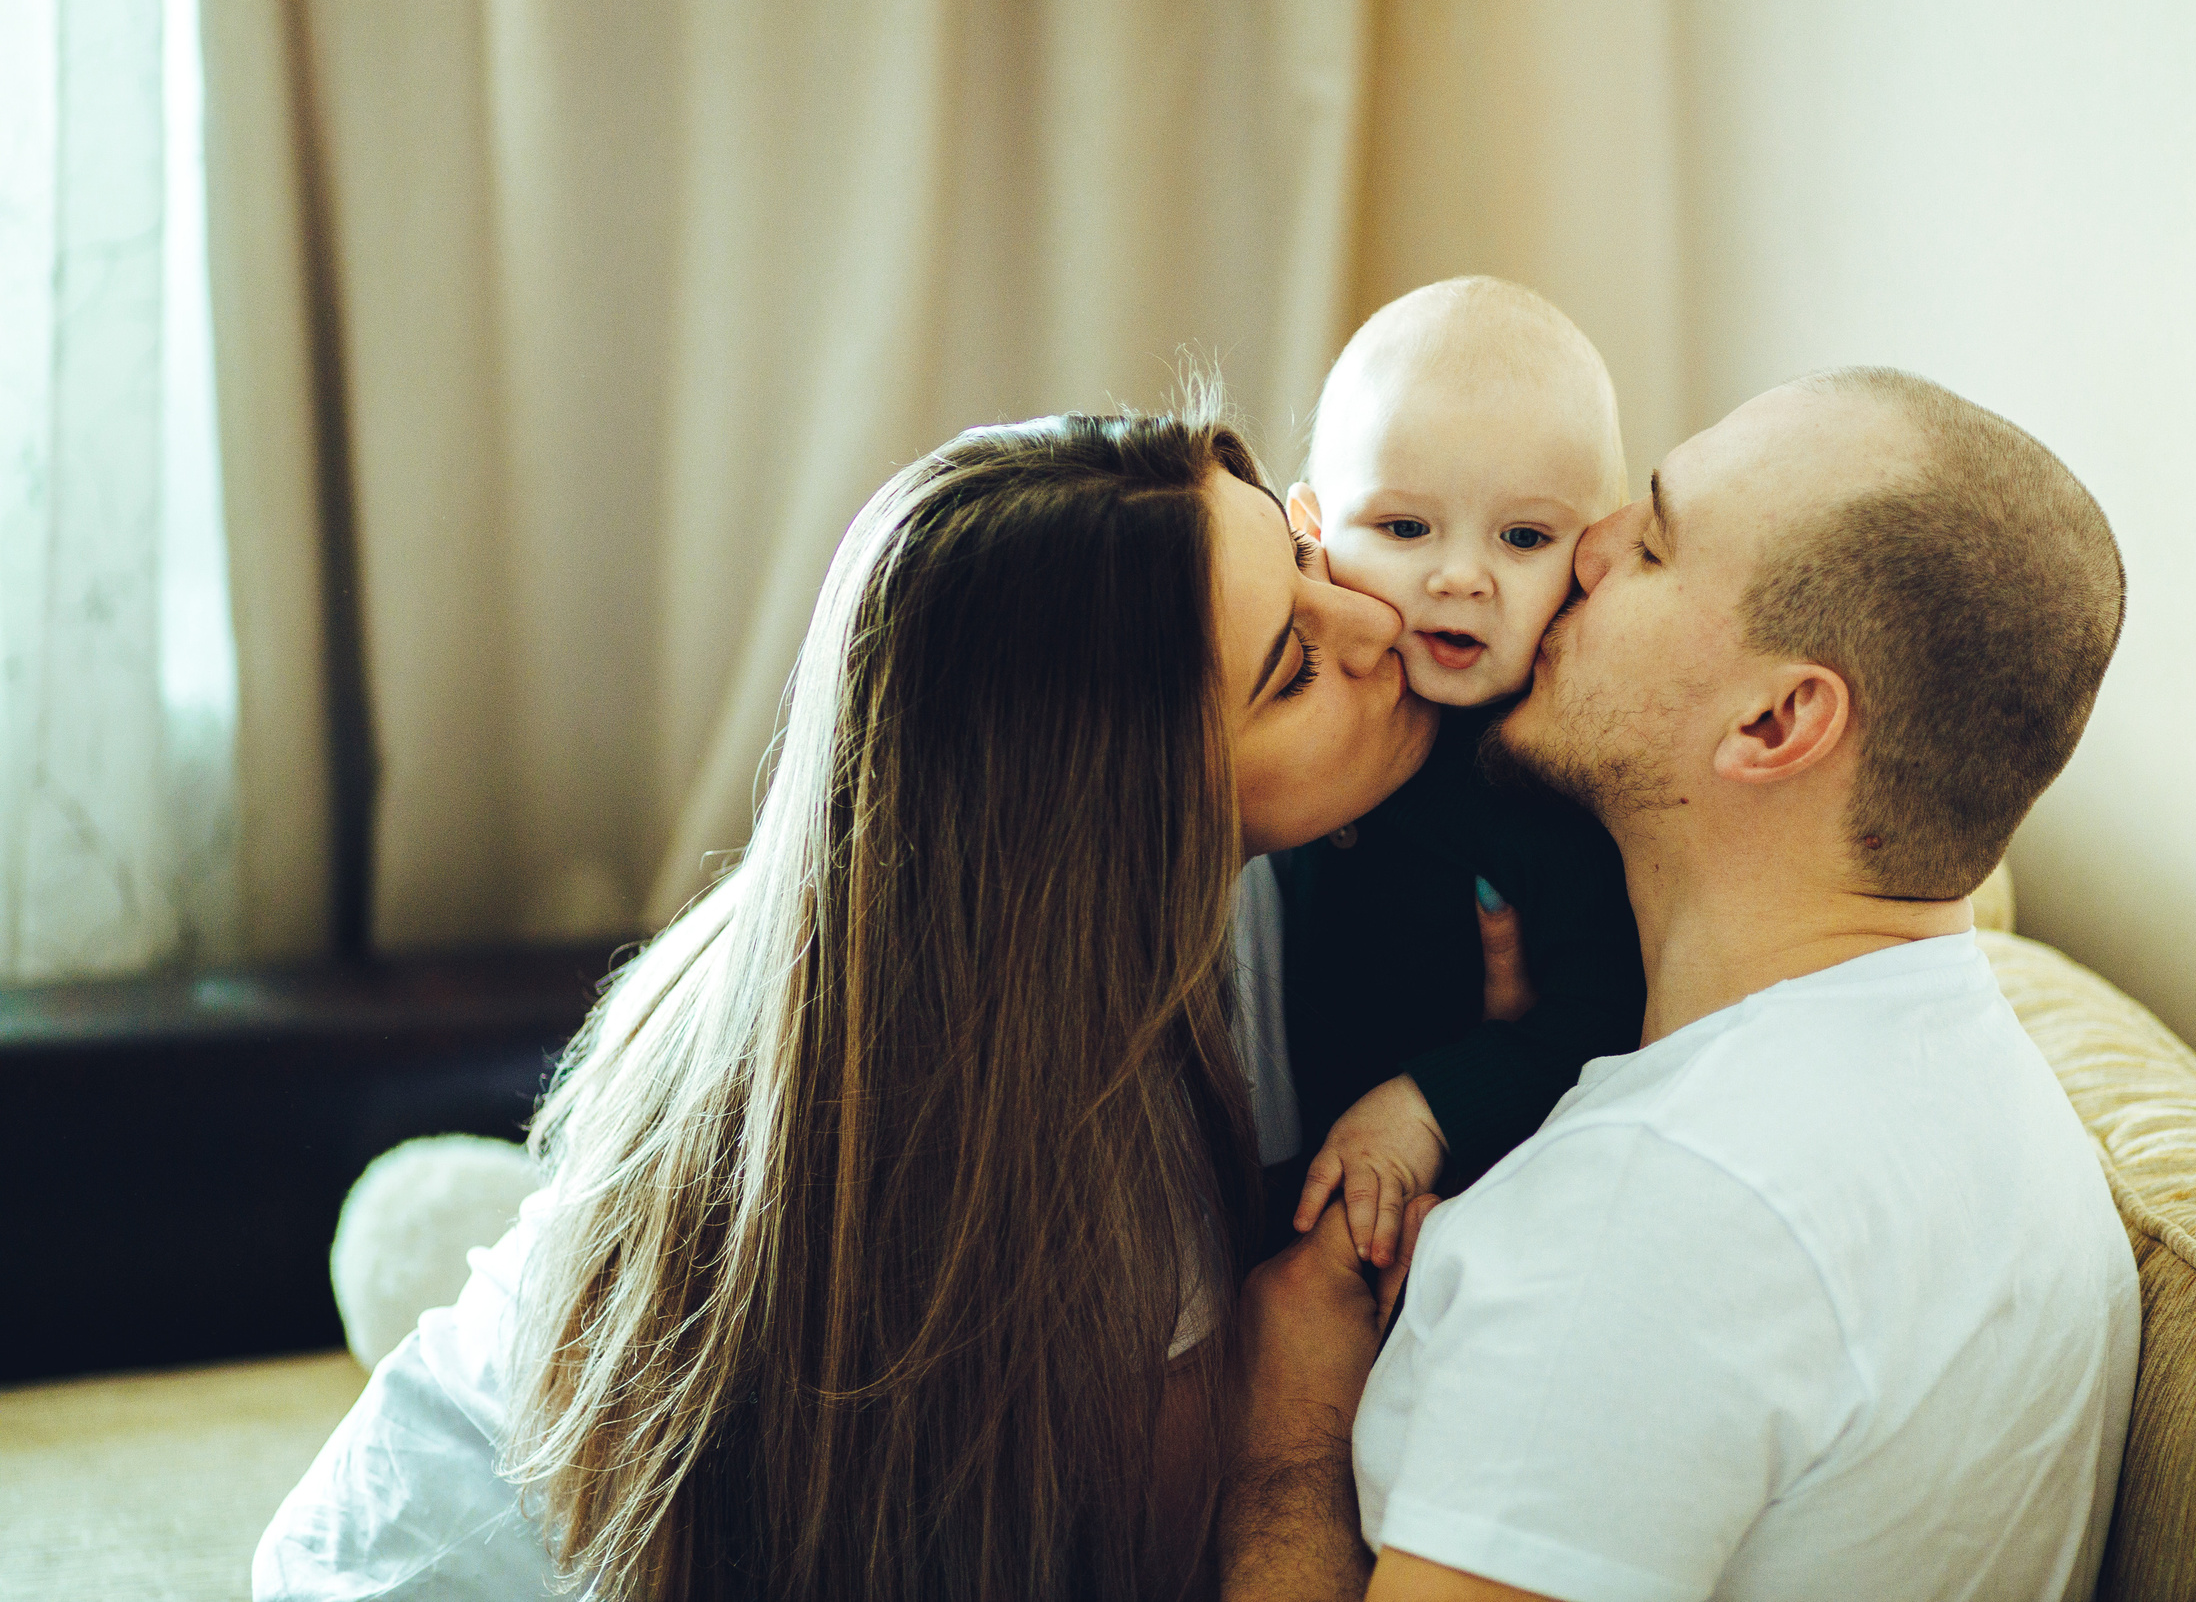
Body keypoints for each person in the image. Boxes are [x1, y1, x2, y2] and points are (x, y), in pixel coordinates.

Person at [255, 402, 1435, 1601]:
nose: (1380, 615)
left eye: (1297, 550)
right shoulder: (1066, 1149)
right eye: (1292, 666)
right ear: (1123, 822)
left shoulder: (890, 928)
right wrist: (1293, 1408)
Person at [1224, 368, 2144, 1602]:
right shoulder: (1987, 1098)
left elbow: (1659, 1284)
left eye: (1651, 541)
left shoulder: (1656, 1220)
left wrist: (1288, 1426)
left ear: (1774, 726)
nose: (1585, 551)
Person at [1275, 277, 1645, 1266]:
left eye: (1523, 538)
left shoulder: (1549, 782)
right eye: (1404, 529)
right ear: (1310, 533)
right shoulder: (1272, 700)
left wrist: (1429, 1107)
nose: (1460, 576)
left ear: (1592, 554)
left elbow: (1602, 1016)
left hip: (1435, 1185)